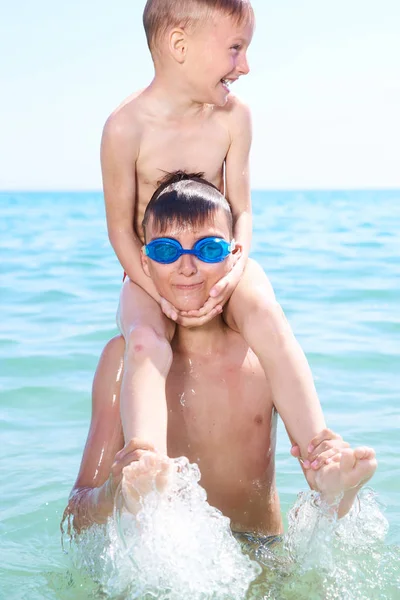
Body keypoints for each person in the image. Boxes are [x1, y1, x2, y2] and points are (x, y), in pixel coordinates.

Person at [65, 173, 377, 535]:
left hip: (264, 559)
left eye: (208, 249)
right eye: (166, 250)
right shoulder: (123, 363)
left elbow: (315, 463)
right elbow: (76, 518)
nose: (187, 266)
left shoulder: (262, 357)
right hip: (173, 572)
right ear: (143, 263)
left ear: (233, 257)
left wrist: (331, 482)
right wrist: (114, 491)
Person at [101, 0, 329, 465]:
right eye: (234, 49)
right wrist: (157, 294)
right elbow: (122, 234)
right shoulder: (125, 128)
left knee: (266, 312)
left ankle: (321, 451)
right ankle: (146, 456)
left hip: (221, 258)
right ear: (179, 45)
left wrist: (235, 269)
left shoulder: (234, 117)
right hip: (153, 270)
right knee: (144, 339)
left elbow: (242, 211)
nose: (244, 66)